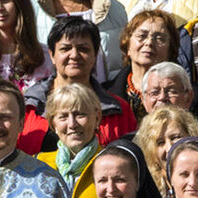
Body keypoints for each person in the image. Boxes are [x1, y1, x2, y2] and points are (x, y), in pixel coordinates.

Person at [20, 16, 137, 154]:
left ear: (95, 55)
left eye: (83, 49)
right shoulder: (28, 107)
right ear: (52, 55)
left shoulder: (118, 110)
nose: (74, 55)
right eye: (65, 48)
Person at [39, 83, 104, 198]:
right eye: (63, 117)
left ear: (97, 117)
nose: (72, 124)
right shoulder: (38, 165)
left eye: (80, 115)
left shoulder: (111, 164)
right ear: (52, 124)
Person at [110, 9, 181, 120]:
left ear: (171, 50)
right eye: (142, 36)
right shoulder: (105, 95)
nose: (149, 43)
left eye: (159, 38)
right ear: (127, 45)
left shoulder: (182, 94)